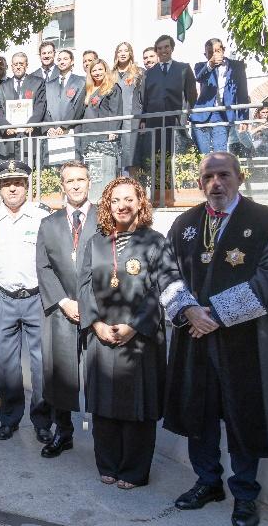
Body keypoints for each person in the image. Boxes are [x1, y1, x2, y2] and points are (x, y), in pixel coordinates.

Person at [159, 151, 268, 526]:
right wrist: (188, 310)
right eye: (208, 177)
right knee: (197, 412)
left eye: (223, 175)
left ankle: (245, 494)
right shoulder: (184, 223)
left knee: (243, 415)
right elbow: (166, 272)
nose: (216, 183)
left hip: (246, 342)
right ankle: (207, 482)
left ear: (239, 177)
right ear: (200, 183)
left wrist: (215, 315)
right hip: (194, 339)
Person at [78, 177, 168, 489]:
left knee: (137, 405)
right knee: (103, 403)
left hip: (139, 338)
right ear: (107, 205)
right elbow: (84, 286)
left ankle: (134, 471)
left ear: (140, 203)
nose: (122, 205)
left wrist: (134, 326)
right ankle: (108, 464)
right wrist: (96, 323)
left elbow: (160, 289)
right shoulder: (96, 242)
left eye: (129, 199)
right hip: (101, 335)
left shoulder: (155, 242)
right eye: (115, 200)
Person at [0, 160, 52, 442]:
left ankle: (42, 421)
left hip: (36, 298)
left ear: (26, 186)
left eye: (18, 183)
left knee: (41, 364)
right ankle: (9, 418)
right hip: (2, 297)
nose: (12, 188)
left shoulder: (42, 216)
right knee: (6, 365)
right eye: (7, 184)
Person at [36, 161, 98, 459]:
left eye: (80, 179)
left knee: (100, 372)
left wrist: (89, 304)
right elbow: (43, 267)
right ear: (62, 185)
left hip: (97, 309)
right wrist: (63, 301)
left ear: (89, 182)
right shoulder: (49, 223)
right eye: (69, 180)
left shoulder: (105, 217)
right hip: (62, 309)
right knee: (59, 373)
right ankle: (63, 432)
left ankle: (104, 435)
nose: (75, 185)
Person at [139, 35, 198, 157]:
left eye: (166, 47)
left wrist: (185, 115)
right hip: (154, 122)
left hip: (177, 120)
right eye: (159, 48)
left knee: (177, 156)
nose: (163, 50)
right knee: (156, 157)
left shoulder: (184, 68)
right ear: (156, 51)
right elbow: (145, 99)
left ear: (172, 48)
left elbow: (192, 95)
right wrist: (144, 119)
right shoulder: (148, 74)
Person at [189, 38, 250, 154]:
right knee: (204, 155)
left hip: (223, 115)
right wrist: (210, 65)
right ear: (205, 54)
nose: (214, 55)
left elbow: (243, 93)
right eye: (210, 53)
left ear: (223, 50)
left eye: (217, 51)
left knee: (220, 153)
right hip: (202, 115)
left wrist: (244, 119)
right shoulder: (201, 66)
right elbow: (199, 78)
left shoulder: (236, 66)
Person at [0, 52, 47, 160]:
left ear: (26, 65)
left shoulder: (38, 83)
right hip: (9, 137)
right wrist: (6, 126)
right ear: (11, 66)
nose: (18, 67)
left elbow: (40, 105)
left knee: (30, 165)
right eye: (15, 64)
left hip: (30, 134)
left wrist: (32, 123)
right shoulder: (1, 87)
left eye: (21, 64)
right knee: (10, 167)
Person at [79, 59, 123, 177]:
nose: (97, 73)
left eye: (100, 69)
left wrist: (113, 130)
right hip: (87, 134)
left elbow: (116, 111)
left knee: (105, 171)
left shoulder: (112, 88)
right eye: (94, 70)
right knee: (91, 171)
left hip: (104, 136)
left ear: (105, 70)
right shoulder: (87, 88)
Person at [43, 50, 87, 163]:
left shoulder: (81, 81)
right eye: (59, 59)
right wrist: (49, 127)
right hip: (53, 132)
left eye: (65, 59)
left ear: (72, 61)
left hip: (71, 130)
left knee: (72, 165)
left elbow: (78, 107)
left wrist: (64, 126)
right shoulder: (48, 84)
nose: (62, 62)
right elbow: (44, 108)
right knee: (54, 167)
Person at [112, 42, 144, 170]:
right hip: (114, 120)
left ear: (130, 53)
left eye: (126, 50)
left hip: (131, 120)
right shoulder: (110, 74)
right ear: (116, 54)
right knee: (115, 160)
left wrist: (143, 119)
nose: (123, 53)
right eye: (120, 51)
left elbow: (144, 97)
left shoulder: (138, 72)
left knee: (131, 160)